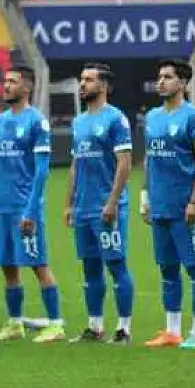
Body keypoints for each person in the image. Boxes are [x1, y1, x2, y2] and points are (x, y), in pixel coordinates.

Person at [0, 66, 65, 343]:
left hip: (24, 207)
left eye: (12, 82)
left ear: (26, 88)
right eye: (4, 80)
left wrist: (31, 209)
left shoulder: (36, 122)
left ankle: (55, 324)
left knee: (38, 264)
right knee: (8, 267)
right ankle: (15, 323)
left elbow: (42, 171)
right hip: (2, 208)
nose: (5, 86)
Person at [141, 58, 195, 350]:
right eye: (159, 77)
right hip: (160, 206)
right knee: (167, 269)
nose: (161, 82)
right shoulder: (152, 118)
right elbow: (148, 160)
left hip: (185, 208)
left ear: (183, 83)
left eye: (168, 77)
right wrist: (145, 197)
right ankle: (172, 330)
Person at [66, 62, 136, 345]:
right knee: (90, 267)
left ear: (104, 86)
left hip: (106, 207)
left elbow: (125, 163)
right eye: (82, 79)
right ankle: (94, 326)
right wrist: (69, 203)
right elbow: (75, 164)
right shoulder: (79, 121)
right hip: (83, 208)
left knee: (116, 265)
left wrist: (113, 202)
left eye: (89, 80)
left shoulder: (116, 119)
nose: (82, 84)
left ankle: (124, 328)